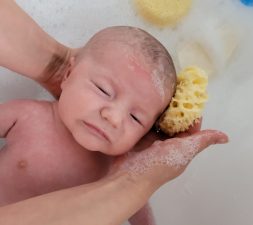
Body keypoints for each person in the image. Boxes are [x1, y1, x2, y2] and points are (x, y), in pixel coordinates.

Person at [0, 1, 229, 225]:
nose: (114, 117)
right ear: (69, 74)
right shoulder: (27, 115)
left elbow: (135, 207)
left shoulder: (120, 171)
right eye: (103, 90)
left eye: (135, 118)